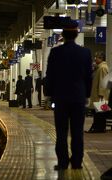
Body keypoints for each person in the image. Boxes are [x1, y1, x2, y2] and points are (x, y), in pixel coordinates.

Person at [45, 19, 92, 170]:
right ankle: (77, 162)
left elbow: (50, 75)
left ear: (63, 36)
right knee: (78, 132)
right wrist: (87, 94)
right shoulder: (85, 53)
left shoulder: (55, 52)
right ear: (77, 34)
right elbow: (88, 76)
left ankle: (63, 162)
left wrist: (49, 94)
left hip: (60, 98)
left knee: (61, 132)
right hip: (78, 98)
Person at [86, 51, 109, 133]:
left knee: (100, 113)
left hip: (100, 95)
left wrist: (101, 94)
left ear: (101, 58)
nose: (95, 59)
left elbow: (103, 82)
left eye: (97, 57)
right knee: (98, 113)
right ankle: (98, 127)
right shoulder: (99, 67)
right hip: (98, 94)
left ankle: (99, 128)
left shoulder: (102, 68)